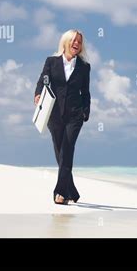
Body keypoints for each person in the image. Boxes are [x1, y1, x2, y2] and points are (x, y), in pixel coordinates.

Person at [34, 29, 91, 205]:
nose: (77, 44)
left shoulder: (84, 66)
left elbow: (86, 92)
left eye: (79, 42)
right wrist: (38, 94)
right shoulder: (51, 62)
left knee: (67, 150)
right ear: (66, 42)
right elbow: (42, 81)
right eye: (74, 40)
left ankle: (60, 192)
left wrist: (85, 112)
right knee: (60, 153)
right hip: (54, 114)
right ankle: (71, 190)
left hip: (75, 115)